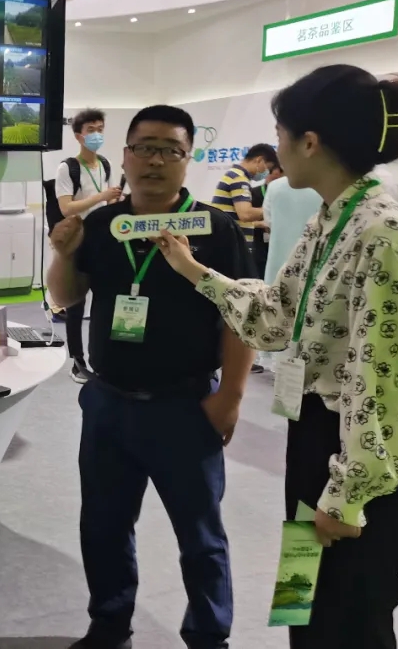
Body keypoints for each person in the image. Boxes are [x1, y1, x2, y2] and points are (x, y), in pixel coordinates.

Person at [156, 66, 398, 649]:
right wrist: (194, 270)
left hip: (356, 455)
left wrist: (348, 493)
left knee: (352, 618)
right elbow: (277, 316)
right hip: (312, 437)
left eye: (279, 135)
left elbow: (383, 379)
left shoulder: (384, 232)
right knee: (302, 597)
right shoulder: (331, 217)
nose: (274, 151)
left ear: (310, 142)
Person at [47, 104, 256, 649]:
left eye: (170, 150)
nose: (156, 161)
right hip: (108, 404)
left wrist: (231, 398)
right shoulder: (100, 225)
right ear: (126, 155)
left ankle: (208, 636)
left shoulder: (215, 228)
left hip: (184, 407)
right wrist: (62, 255)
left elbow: (242, 317)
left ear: (188, 159)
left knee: (200, 535)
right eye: (145, 148)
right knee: (104, 525)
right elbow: (65, 297)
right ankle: (109, 624)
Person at [52, 109, 122, 383]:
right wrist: (102, 196)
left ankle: (105, 356)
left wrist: (113, 201)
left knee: (106, 299)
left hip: (103, 239)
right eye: (91, 130)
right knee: (75, 304)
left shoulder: (105, 164)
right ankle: (77, 361)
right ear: (78, 135)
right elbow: (66, 207)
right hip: (77, 241)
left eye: (100, 129)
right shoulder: (67, 168)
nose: (97, 135)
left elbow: (108, 201)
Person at [210, 143, 279, 246]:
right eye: (267, 168)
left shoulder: (235, 175)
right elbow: (246, 214)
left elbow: (236, 217)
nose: (266, 173)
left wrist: (259, 224)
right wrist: (273, 210)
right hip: (232, 243)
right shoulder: (239, 178)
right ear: (259, 160)